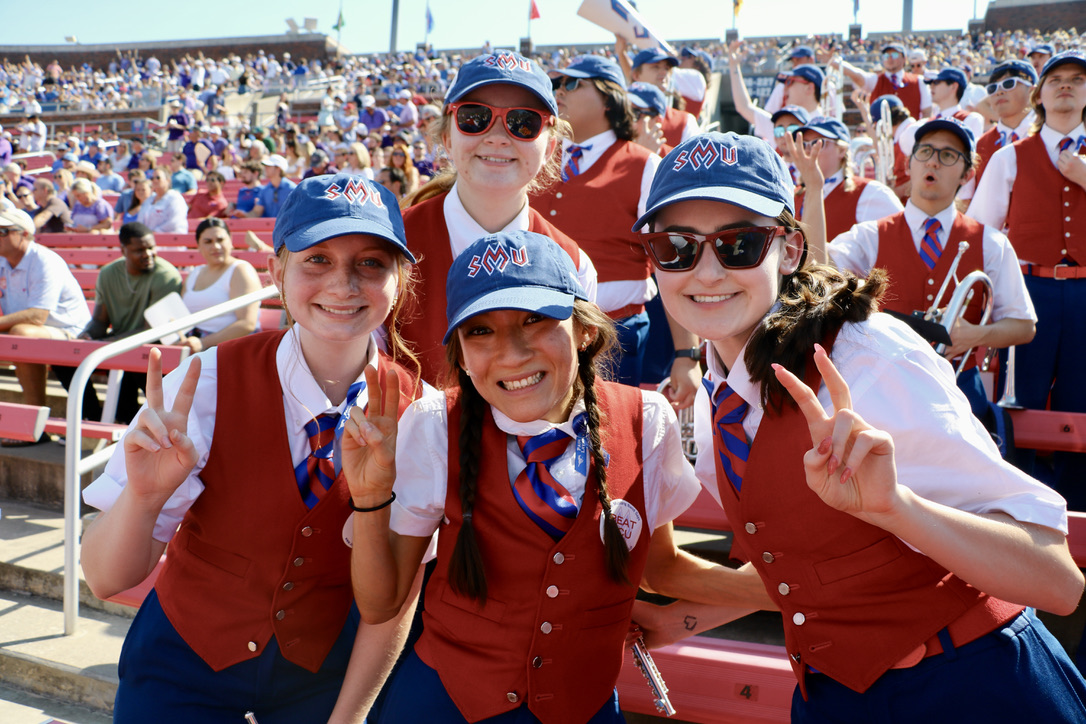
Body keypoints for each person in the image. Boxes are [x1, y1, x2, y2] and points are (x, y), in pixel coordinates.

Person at [633, 131, 1086, 722]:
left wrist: (897, 506)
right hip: (836, 695)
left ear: (789, 249)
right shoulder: (720, 383)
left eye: (740, 244)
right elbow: (818, 571)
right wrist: (679, 619)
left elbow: (1057, 579)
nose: (708, 270)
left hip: (971, 688)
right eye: (676, 247)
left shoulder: (867, 359)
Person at [343, 230, 769, 723]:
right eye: (480, 331)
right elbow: (381, 605)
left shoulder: (646, 419)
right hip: (446, 702)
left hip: (580, 705)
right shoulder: (436, 423)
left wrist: (785, 592)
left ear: (584, 330)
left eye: (536, 320)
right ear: (459, 351)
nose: (512, 352)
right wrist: (370, 496)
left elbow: (661, 567)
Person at [79, 175, 427, 723]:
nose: (343, 284)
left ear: (399, 281)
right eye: (317, 259)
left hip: (321, 682)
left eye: (370, 263)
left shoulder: (422, 412)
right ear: (276, 272)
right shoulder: (207, 382)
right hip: (181, 668)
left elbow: (396, 601)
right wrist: (143, 497)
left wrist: (350, 717)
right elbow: (104, 577)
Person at [398, 50, 597, 385]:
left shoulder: (573, 264)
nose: (498, 136)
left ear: (549, 148)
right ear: (447, 137)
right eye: (474, 118)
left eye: (524, 122)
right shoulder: (390, 243)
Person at [830, 117, 1035, 426]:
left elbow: (1024, 325)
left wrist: (977, 335)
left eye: (948, 155)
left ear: (967, 175)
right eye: (925, 152)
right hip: (885, 391)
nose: (934, 162)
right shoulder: (869, 235)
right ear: (910, 164)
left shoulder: (992, 244)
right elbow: (818, 267)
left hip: (961, 393)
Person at [531, 55, 697, 398]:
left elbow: (674, 261)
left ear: (608, 97)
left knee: (611, 445)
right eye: (557, 84)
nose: (559, 91)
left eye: (572, 83)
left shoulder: (645, 164)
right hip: (533, 331)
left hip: (615, 336)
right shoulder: (536, 157)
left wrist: (686, 354)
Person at [968, 49, 1086, 506]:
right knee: (1022, 401)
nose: (1067, 86)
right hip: (1029, 289)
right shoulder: (1008, 158)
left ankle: (1077, 508)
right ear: (1039, 93)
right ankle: (1020, 507)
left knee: (1081, 403)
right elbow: (981, 235)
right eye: (1057, 78)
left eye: (1077, 79)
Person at [76, 222, 183, 423]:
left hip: (153, 345)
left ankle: (124, 421)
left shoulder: (166, 275)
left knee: (132, 363)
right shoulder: (108, 273)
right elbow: (100, 320)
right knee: (65, 356)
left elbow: (151, 330)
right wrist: (87, 336)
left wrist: (107, 345)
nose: (149, 254)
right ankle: (92, 416)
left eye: (151, 247)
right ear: (123, 250)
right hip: (121, 343)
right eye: (139, 250)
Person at [0, 208, 89, 444]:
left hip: (72, 333)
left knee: (21, 335)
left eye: (3, 231)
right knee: (19, 335)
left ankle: (34, 427)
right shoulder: (3, 261)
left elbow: (37, 316)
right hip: (41, 332)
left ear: (24, 234)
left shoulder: (44, 259)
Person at [794, 117, 902, 242]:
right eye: (803, 144)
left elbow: (903, 237)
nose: (808, 150)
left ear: (841, 150)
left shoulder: (871, 193)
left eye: (818, 143)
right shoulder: (794, 195)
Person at [177, 218, 262, 353]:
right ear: (198, 246)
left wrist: (202, 343)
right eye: (208, 242)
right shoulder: (194, 273)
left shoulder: (240, 270)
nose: (215, 246)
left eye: (220, 240)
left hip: (229, 348)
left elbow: (247, 324)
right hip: (192, 345)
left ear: (230, 240)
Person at [727, 42, 822, 145]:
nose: (785, 88)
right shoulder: (780, 123)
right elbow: (744, 107)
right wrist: (734, 65)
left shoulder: (824, 130)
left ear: (809, 88)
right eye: (780, 131)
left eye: (790, 82)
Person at [973, 60, 1037, 186]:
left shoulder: (1049, 135)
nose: (999, 91)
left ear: (1032, 91)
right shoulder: (981, 144)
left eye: (1009, 83)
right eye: (993, 87)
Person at [837, 42, 932, 120]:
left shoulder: (919, 81)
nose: (890, 58)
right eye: (886, 55)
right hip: (880, 138)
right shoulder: (875, 80)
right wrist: (836, 62)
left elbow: (926, 113)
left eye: (894, 55)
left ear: (904, 59)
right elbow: (856, 75)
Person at [138, 168, 189, 234]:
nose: (154, 180)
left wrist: (155, 232)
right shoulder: (149, 200)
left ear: (168, 180)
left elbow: (174, 222)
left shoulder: (175, 198)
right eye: (152, 178)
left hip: (171, 239)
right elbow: (140, 221)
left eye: (158, 177)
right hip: (149, 239)